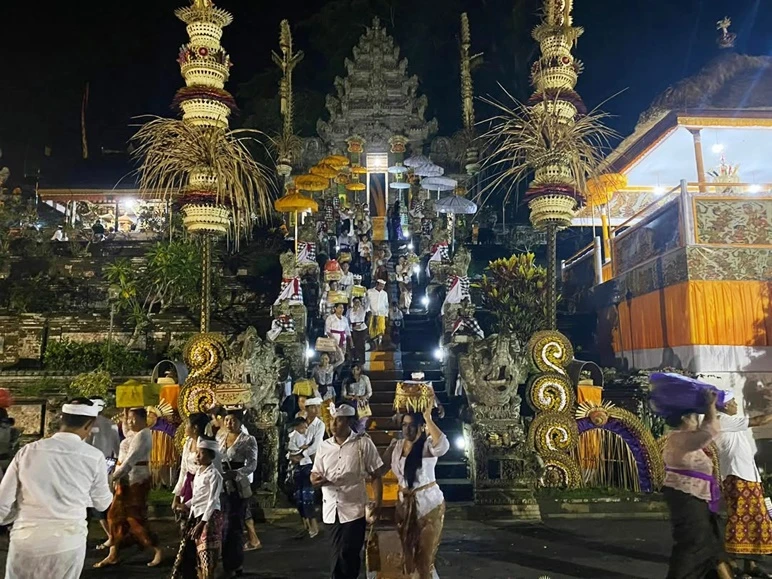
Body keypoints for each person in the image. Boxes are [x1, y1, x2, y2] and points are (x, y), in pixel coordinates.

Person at [0, 398, 113, 579]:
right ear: (88, 425)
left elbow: (3, 502)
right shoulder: (94, 457)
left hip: (26, 539)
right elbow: (102, 503)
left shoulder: (28, 451)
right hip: (66, 542)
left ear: (62, 419)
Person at [661, 390, 733, 579]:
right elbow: (709, 431)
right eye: (694, 418)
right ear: (685, 419)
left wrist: (711, 408)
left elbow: (706, 431)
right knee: (694, 544)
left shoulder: (685, 439)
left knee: (711, 543)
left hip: (696, 496)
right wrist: (710, 406)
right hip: (687, 497)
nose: (697, 423)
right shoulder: (680, 438)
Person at [311, 404, 383, 579]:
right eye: (332, 420)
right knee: (336, 554)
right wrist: (315, 479)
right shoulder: (324, 446)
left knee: (348, 552)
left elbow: (376, 475)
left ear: (349, 422)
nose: (333, 424)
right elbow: (315, 472)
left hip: (354, 509)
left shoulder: (363, 444)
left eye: (339, 420)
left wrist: (378, 503)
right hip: (331, 510)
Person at [382, 408, 449, 578]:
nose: (407, 429)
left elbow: (443, 446)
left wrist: (428, 418)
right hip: (405, 506)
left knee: (424, 558)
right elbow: (380, 469)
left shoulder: (427, 445)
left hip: (429, 506)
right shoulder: (397, 446)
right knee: (408, 556)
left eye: (411, 425)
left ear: (421, 427)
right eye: (404, 425)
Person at [96, 407, 162, 568]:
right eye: (129, 419)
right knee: (115, 515)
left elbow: (129, 462)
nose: (130, 422)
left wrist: (111, 477)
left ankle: (157, 549)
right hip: (123, 478)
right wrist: (125, 410)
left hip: (135, 480)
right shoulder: (133, 433)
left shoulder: (143, 435)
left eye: (134, 419)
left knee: (135, 518)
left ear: (143, 419)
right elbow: (126, 429)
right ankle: (113, 552)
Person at [715, 394, 772, 578]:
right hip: (737, 476)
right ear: (724, 405)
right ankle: (732, 564)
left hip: (748, 476)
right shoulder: (723, 420)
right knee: (740, 520)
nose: (736, 404)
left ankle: (751, 564)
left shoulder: (732, 422)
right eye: (732, 402)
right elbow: (759, 420)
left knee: (756, 520)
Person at [171, 437, 224, 579]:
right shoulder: (199, 472)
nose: (197, 456)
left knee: (207, 553)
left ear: (211, 456)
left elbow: (212, 501)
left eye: (201, 453)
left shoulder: (215, 475)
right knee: (193, 553)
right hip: (196, 515)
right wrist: (186, 505)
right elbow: (198, 496)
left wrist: (202, 523)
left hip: (209, 517)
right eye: (197, 453)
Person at [220, 408, 258, 577]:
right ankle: (226, 562)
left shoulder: (248, 440)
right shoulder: (220, 438)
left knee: (233, 525)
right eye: (227, 420)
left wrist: (235, 474)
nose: (229, 423)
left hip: (236, 486)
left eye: (233, 420)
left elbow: (252, 464)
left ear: (240, 422)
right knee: (222, 525)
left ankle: (235, 563)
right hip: (221, 485)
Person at [84, 397, 120, 550]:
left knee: (93, 505)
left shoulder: (89, 424)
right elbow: (116, 449)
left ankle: (111, 536)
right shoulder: (110, 424)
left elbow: (86, 446)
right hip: (105, 465)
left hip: (91, 466)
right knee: (99, 502)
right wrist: (113, 467)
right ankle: (111, 536)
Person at [173, 413, 213, 523]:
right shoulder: (188, 443)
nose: (185, 427)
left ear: (195, 428)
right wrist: (177, 496)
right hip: (188, 485)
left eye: (187, 424)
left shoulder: (207, 446)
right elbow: (183, 470)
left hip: (203, 488)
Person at [287, 417, 320, 539]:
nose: (305, 429)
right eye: (303, 427)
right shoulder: (296, 436)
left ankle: (313, 527)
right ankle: (306, 526)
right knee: (299, 497)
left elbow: (312, 448)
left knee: (307, 497)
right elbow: (293, 451)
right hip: (298, 467)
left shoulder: (314, 430)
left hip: (306, 467)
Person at [343, 364, 373, 432]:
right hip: (351, 402)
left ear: (359, 370)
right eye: (352, 370)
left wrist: (363, 397)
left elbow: (369, 392)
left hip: (362, 402)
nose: (354, 371)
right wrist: (353, 397)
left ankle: (361, 433)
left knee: (362, 421)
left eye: (356, 369)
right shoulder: (346, 380)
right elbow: (344, 394)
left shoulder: (365, 378)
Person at [366, 278, 389, 350]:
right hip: (372, 313)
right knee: (372, 330)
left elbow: (386, 304)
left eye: (383, 286)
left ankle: (379, 345)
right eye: (380, 285)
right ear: (377, 284)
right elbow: (367, 302)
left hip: (381, 314)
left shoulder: (384, 293)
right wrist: (368, 311)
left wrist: (386, 314)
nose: (382, 287)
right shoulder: (369, 291)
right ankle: (373, 345)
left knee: (381, 330)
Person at [348, 296, 368, 364]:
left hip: (362, 328)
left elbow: (368, 301)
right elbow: (348, 319)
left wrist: (365, 296)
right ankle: (355, 359)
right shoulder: (350, 310)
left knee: (361, 344)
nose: (357, 303)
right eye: (355, 302)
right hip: (353, 328)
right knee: (354, 344)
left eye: (358, 302)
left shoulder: (363, 308)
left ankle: (362, 360)